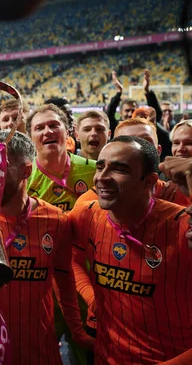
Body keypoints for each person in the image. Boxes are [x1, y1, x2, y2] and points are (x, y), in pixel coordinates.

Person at [0, 130, 93, 364]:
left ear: (26, 171)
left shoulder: (57, 221)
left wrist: (77, 331)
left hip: (39, 351)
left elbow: (64, 281)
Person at [69, 136, 192, 364]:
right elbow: (55, 246)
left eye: (119, 169)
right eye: (100, 166)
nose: (102, 178)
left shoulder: (182, 226)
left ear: (150, 181)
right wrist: (91, 297)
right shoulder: (86, 214)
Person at [75, 118, 190, 207]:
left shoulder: (180, 195)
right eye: (125, 141)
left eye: (145, 142)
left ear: (158, 151)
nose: (136, 149)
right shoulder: (87, 204)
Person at [26, 104, 96, 212]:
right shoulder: (24, 178)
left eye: (54, 125)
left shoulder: (94, 170)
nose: (48, 131)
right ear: (30, 138)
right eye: (39, 128)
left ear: (67, 132)